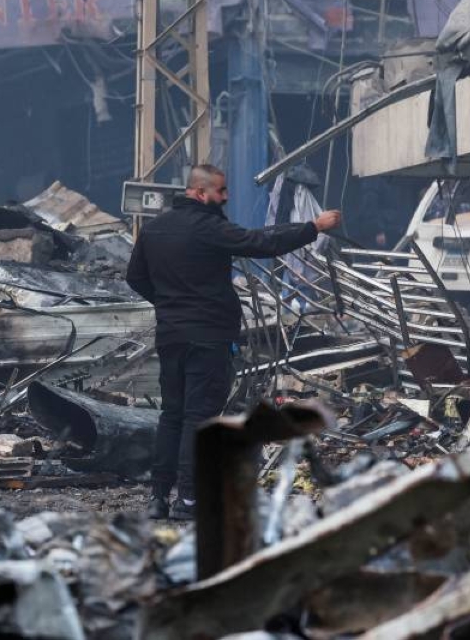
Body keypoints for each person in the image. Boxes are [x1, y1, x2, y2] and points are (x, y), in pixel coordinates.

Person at [127, 164, 341, 520]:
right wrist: (313, 227)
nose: (226, 197)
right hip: (208, 336)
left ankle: (158, 498)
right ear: (200, 192)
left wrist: (168, 305)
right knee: (199, 418)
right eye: (221, 191)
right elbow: (261, 243)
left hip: (171, 335)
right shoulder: (209, 228)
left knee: (172, 415)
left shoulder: (153, 229)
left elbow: (135, 277)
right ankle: (189, 500)